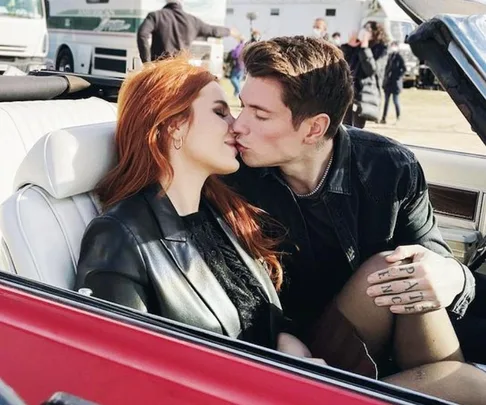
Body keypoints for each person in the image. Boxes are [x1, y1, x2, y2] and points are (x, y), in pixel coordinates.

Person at [226, 36, 486, 403]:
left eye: (260, 114)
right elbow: (232, 296)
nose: (238, 125)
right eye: (242, 107)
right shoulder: (233, 176)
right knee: (468, 386)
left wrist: (453, 276)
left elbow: (430, 257)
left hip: (376, 337)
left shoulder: (389, 168)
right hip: (290, 349)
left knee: (408, 269)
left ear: (314, 128)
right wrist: (280, 338)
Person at [74, 55, 318, 359]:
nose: (237, 126)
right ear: (174, 125)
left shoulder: (222, 211)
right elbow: (118, 367)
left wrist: (287, 345)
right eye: (220, 112)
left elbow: (264, 322)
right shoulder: (118, 236)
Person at [137, 0, 238, 63]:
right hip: (181, 71)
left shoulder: (156, 16)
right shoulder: (192, 21)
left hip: (160, 70)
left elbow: (142, 34)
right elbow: (213, 31)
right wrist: (229, 31)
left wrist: (146, 62)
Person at [341, 21, 388, 128]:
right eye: (364, 28)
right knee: (345, 126)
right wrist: (348, 47)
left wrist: (365, 49)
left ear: (375, 33)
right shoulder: (357, 47)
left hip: (364, 93)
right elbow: (344, 63)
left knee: (358, 128)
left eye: (368, 29)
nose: (364, 32)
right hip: (350, 91)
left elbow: (371, 70)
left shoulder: (381, 49)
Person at [381, 41, 406, 124]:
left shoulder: (399, 57)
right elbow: (387, 68)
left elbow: (404, 69)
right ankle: (383, 118)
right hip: (388, 83)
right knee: (386, 101)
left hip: (395, 83)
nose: (392, 47)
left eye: (394, 46)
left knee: (395, 101)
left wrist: (398, 76)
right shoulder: (390, 56)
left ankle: (398, 117)